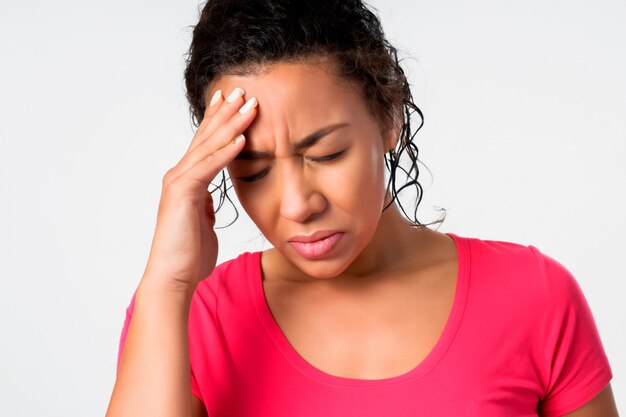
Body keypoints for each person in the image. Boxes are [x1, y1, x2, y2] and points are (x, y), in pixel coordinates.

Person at [105, 1, 618, 416]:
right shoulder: (185, 315)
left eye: (326, 154)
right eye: (254, 170)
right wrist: (168, 286)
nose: (297, 205)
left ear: (389, 117)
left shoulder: (534, 296)